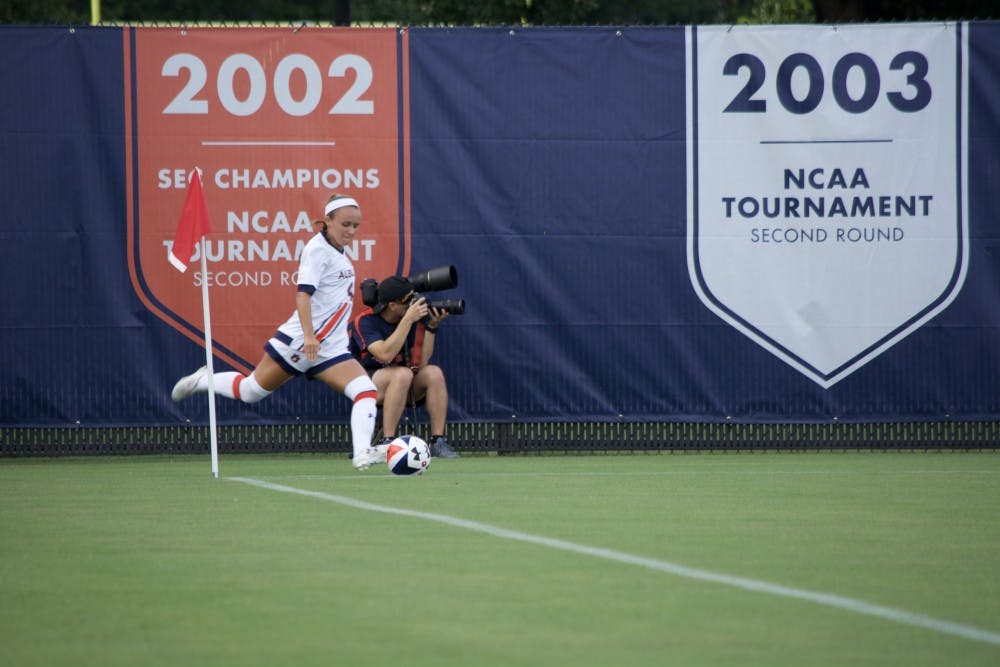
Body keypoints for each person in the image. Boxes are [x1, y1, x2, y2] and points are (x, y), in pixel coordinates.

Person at [170, 193, 385, 471]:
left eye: (356, 226)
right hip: (299, 342)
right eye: (345, 224)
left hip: (329, 349)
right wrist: (309, 336)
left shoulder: (337, 252)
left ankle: (362, 454)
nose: (351, 231)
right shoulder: (317, 250)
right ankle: (203, 380)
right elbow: (303, 295)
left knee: (366, 390)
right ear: (328, 220)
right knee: (250, 391)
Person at [348, 276, 460, 458]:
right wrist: (407, 320)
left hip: (404, 382)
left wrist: (431, 326)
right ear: (392, 305)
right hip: (368, 383)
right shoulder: (365, 321)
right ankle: (387, 442)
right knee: (401, 374)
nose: (413, 304)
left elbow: (421, 362)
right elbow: (384, 354)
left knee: (433, 373)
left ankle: (437, 441)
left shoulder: (413, 318)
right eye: (408, 301)